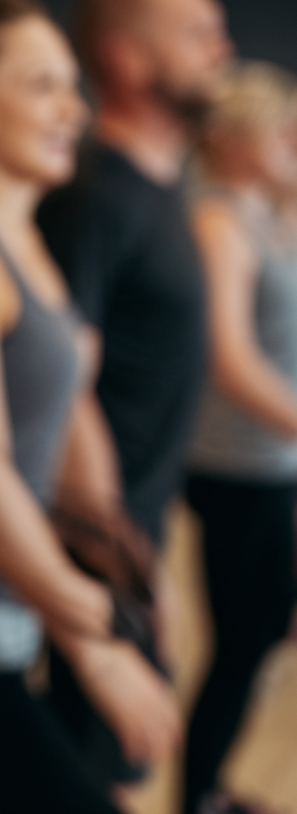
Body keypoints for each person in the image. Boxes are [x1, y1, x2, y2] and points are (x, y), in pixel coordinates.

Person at [0, 0, 179, 814]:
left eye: (73, 85)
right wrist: (92, 640)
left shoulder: (28, 241)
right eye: (41, 86)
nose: (73, 109)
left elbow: (73, 419)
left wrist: (125, 561)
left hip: (16, 621)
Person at [35, 0, 232, 790]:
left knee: (117, 767)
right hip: (89, 548)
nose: (221, 48)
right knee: (93, 768)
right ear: (126, 58)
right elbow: (63, 384)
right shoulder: (96, 197)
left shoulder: (159, 190)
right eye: (196, 31)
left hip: (133, 533)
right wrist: (124, 559)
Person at [184, 61, 297, 814]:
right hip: (239, 471)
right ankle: (200, 796)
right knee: (239, 648)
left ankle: (219, 787)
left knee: (260, 641)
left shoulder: (266, 217)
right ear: (233, 138)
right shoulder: (219, 221)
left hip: (276, 465)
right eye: (277, 125)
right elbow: (231, 359)